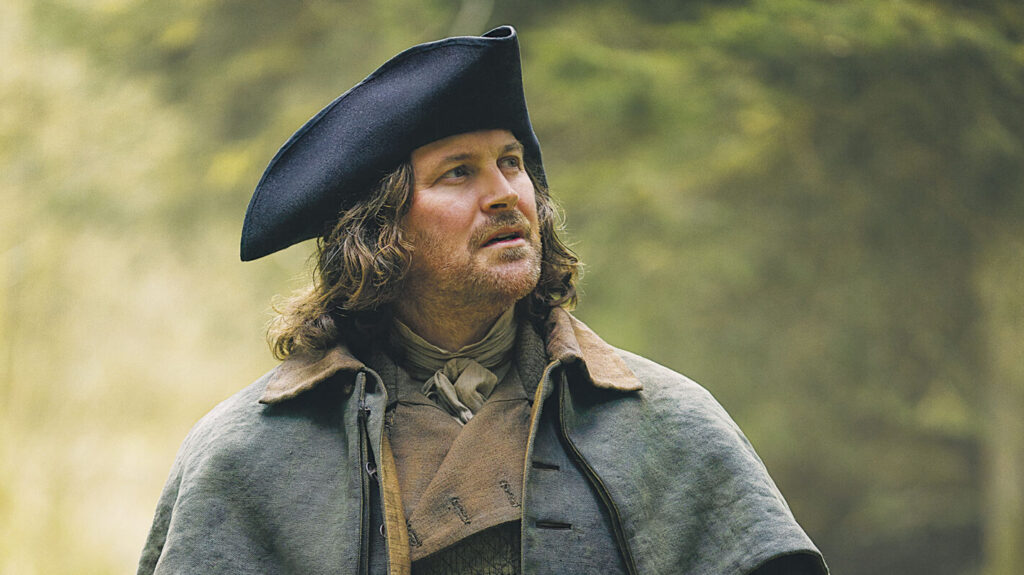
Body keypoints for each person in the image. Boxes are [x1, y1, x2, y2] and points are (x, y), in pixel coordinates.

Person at [138, 26, 828, 575]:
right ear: (380, 231)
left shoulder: (669, 424)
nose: (505, 193)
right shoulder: (248, 455)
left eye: (511, 163)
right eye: (459, 173)